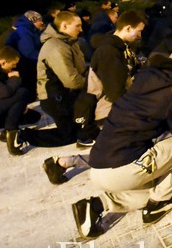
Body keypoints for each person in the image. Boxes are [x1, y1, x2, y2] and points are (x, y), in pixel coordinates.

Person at [71, 48, 172, 239]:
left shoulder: (145, 77)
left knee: (151, 188)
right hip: (119, 169)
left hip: (99, 163)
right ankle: (159, 203)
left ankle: (96, 205)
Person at [43, 11, 146, 184]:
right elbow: (115, 92)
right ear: (128, 28)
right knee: (119, 150)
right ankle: (62, 163)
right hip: (106, 111)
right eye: (139, 30)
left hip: (111, 109)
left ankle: (63, 163)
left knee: (115, 149)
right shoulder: (110, 52)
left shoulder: (119, 48)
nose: (140, 35)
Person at [22, 11, 91, 148]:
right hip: (54, 98)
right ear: (64, 26)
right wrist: (91, 82)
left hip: (63, 94)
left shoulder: (68, 42)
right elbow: (71, 80)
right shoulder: (57, 47)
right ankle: (23, 136)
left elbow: (80, 67)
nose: (81, 29)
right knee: (68, 135)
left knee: (79, 126)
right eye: (77, 26)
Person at [5, 10, 44, 100]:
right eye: (39, 20)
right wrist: (45, 60)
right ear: (33, 21)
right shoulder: (23, 32)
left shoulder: (31, 30)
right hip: (25, 66)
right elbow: (29, 52)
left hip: (28, 65)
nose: (42, 22)